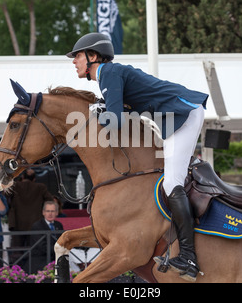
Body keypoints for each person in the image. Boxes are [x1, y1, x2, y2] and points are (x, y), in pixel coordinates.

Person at [67, 32, 209, 281]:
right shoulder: (108, 77)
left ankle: (188, 256)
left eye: (77, 56)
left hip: (182, 113)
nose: (74, 61)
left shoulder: (109, 73)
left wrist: (95, 115)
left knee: (172, 182)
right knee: (172, 180)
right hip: (176, 116)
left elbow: (115, 122)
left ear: (93, 57)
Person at [6, 168, 54, 247]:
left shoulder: (15, 186)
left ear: (22, 177)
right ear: (34, 179)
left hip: (17, 223)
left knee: (18, 251)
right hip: (36, 223)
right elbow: (50, 200)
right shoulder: (41, 187)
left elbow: (5, 197)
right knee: (34, 249)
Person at [30, 201, 63, 273]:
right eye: (48, 211)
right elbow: (42, 247)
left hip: (56, 258)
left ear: (57, 213)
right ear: (43, 212)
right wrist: (60, 249)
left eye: (52, 211)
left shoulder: (59, 225)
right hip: (41, 260)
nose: (50, 214)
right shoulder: (37, 226)